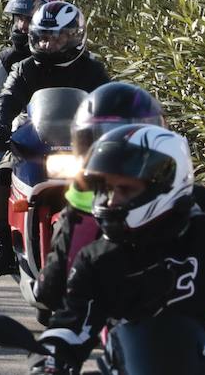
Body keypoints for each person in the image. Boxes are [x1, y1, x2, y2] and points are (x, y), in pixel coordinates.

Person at [33, 126, 205, 375]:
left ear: (164, 184)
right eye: (107, 189)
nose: (112, 201)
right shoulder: (97, 259)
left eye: (125, 189)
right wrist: (50, 358)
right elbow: (73, 322)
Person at [0, 0, 110, 276]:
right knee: (3, 173)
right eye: (41, 38)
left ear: (75, 37)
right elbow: (7, 99)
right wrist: (0, 125)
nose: (47, 45)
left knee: (114, 184)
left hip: (82, 145)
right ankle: (2, 243)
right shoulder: (25, 68)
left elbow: (110, 103)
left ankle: (114, 243)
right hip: (34, 141)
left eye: (56, 38)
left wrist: (119, 128)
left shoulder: (93, 71)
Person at [33, 81, 172, 313]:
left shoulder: (186, 199)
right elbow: (53, 291)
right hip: (117, 329)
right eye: (104, 137)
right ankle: (2, 244)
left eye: (131, 137)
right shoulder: (82, 205)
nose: (117, 151)